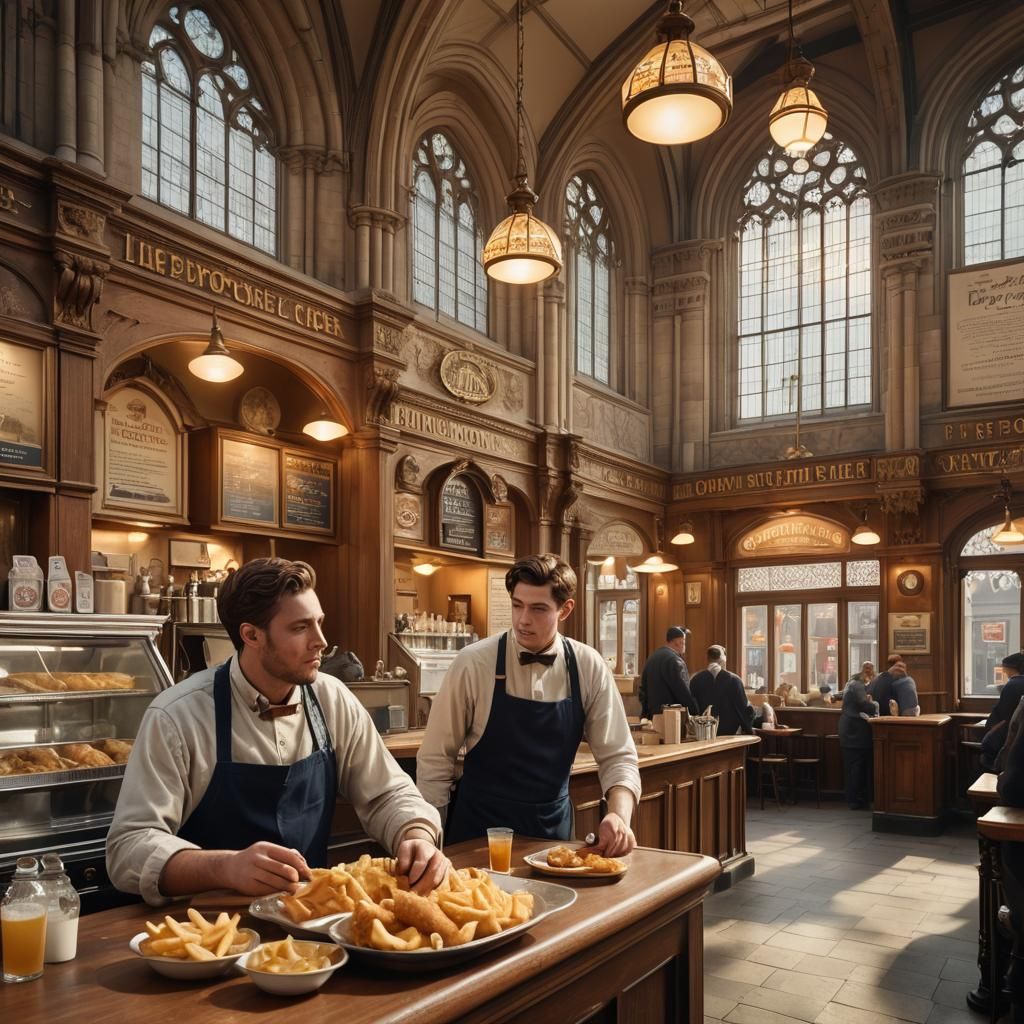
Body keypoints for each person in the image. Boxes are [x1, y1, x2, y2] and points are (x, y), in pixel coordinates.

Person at [107, 558, 448, 906]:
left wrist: (415, 833)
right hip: (208, 926)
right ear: (251, 635)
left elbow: (387, 794)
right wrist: (224, 867)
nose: (321, 641)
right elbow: (130, 847)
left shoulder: (332, 699)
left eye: (319, 623)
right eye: (300, 628)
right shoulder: (177, 716)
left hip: (309, 918)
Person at [416, 553, 640, 856]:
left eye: (538, 609)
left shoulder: (588, 666)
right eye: (517, 605)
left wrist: (619, 816)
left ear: (565, 609)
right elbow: (435, 760)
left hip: (553, 841)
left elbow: (618, 756)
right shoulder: (473, 663)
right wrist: (430, 842)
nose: (523, 619)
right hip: (476, 838)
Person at [689, 645, 753, 735]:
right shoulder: (734, 680)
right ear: (723, 659)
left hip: (703, 733)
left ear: (708, 658)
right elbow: (743, 709)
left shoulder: (695, 680)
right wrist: (748, 729)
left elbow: (692, 707)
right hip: (729, 734)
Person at [638, 626, 699, 719]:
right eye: (684, 642)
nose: (684, 646)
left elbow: (643, 690)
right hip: (671, 718)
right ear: (678, 642)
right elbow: (682, 691)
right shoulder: (675, 660)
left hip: (652, 716)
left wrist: (646, 714)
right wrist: (695, 711)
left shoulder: (652, 657)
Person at [839, 671, 879, 809]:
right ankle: (856, 800)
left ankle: (853, 799)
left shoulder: (850, 684)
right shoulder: (858, 685)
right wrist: (874, 705)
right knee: (857, 767)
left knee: (851, 767)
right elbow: (863, 703)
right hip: (855, 733)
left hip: (848, 731)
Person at [980, 652, 1024, 770]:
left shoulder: (1012, 685)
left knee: (986, 750)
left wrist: (990, 726)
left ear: (1010, 668)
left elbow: (1001, 713)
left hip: (1009, 742)